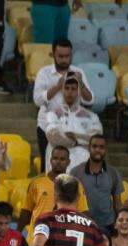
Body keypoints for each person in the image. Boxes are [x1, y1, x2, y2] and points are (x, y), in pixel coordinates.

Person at [33, 39, 93, 171]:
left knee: (72, 166)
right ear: (53, 54)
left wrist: (81, 84)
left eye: (67, 56)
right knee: (48, 166)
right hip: (46, 127)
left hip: (72, 128)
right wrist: (58, 86)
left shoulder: (79, 72)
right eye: (61, 56)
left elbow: (89, 100)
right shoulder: (44, 73)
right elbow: (37, 100)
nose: (64, 59)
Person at [18, 145, 89, 233]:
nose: (58, 162)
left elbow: (83, 213)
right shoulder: (36, 183)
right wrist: (18, 235)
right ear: (50, 160)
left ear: (68, 162)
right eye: (55, 158)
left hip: (61, 238)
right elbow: (26, 212)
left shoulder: (76, 185)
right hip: (36, 237)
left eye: (62, 159)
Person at [43, 75, 102, 172]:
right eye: (66, 88)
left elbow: (96, 137)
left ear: (79, 92)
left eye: (73, 89)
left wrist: (74, 136)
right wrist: (79, 141)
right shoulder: (52, 114)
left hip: (82, 159)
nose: (69, 92)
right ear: (62, 91)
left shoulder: (90, 116)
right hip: (58, 161)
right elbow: (53, 134)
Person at [69, 135, 122, 233]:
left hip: (107, 225)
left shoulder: (113, 173)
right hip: (82, 224)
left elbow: (117, 203)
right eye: (94, 146)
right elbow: (70, 201)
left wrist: (119, 223)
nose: (98, 150)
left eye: (101, 147)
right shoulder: (75, 172)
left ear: (106, 149)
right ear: (89, 148)